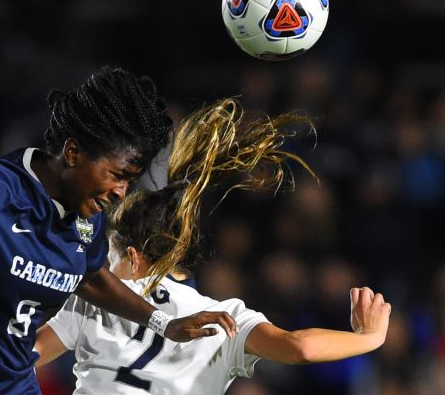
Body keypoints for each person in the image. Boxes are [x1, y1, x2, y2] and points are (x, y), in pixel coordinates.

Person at [0, 66, 237, 395]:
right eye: (116, 175)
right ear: (72, 153)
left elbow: (92, 277)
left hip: (13, 384)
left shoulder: (87, 213)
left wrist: (163, 323)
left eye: (128, 181)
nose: (120, 193)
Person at [34, 98, 392, 394]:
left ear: (133, 256)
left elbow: (22, 357)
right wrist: (369, 338)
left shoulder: (96, 301)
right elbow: (301, 347)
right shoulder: (226, 318)